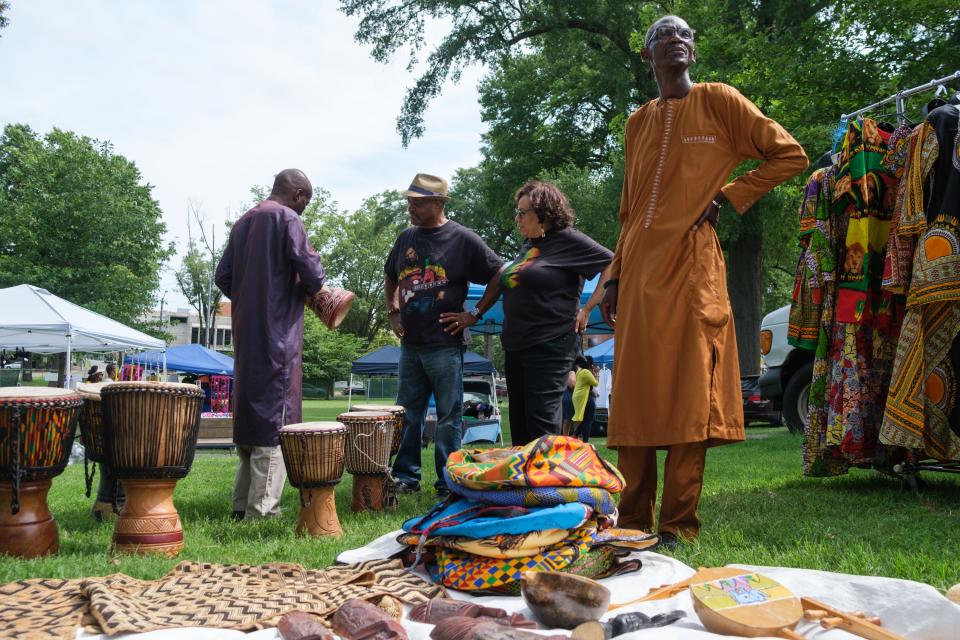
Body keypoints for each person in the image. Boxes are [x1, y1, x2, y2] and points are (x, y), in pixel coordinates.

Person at [600, 15, 808, 549]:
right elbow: (630, 208)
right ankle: (632, 523)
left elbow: (789, 155)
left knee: (690, 392)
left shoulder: (719, 101)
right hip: (640, 271)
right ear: (648, 56)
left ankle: (677, 526)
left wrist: (727, 196)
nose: (678, 40)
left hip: (693, 269)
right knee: (638, 396)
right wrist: (615, 278)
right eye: (664, 36)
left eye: (686, 35)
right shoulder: (638, 121)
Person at [448, 181, 611, 446]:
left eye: (523, 213)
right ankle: (523, 484)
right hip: (517, 345)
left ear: (544, 215)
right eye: (517, 211)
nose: (517, 218)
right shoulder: (529, 245)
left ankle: (547, 485)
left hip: (550, 344)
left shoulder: (567, 240)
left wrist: (589, 307)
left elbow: (613, 262)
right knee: (521, 424)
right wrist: (475, 313)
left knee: (541, 423)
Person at [215, 169, 326, 520]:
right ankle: (262, 511)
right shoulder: (286, 218)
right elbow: (312, 274)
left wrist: (251, 296)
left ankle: (240, 504)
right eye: (306, 199)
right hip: (278, 334)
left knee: (250, 411)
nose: (305, 207)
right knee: (274, 417)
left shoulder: (244, 221)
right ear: (296, 194)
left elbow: (223, 276)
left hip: (247, 333)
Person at [385, 173, 502, 498]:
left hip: (446, 345)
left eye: (417, 203)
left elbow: (500, 273)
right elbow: (390, 275)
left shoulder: (462, 238)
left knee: (450, 416)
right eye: (409, 201)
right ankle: (406, 477)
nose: (410, 207)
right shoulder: (406, 237)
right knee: (407, 413)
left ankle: (447, 480)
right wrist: (393, 309)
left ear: (437, 203)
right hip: (411, 345)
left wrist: (473, 315)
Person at [570, 356, 600, 440]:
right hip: (584, 397)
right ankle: (585, 441)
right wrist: (597, 374)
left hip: (579, 396)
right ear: (590, 364)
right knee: (588, 419)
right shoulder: (586, 372)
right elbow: (595, 383)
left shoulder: (580, 371)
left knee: (584, 419)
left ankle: (575, 436)